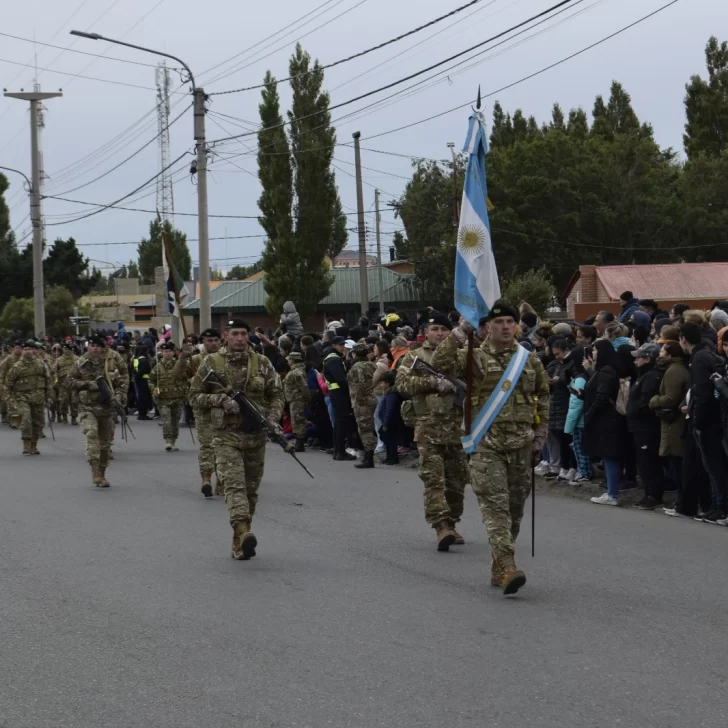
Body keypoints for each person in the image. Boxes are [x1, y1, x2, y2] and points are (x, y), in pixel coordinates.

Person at [432, 305, 549, 595]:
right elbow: (440, 361)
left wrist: (540, 437)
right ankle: (508, 565)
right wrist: (461, 331)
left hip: (521, 443)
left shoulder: (529, 359)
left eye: (511, 321)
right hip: (486, 444)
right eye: (499, 322)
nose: (507, 327)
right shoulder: (474, 357)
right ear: (488, 327)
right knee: (495, 507)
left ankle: (499, 566)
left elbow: (542, 397)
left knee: (514, 510)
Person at [189, 319, 285, 560]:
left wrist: (273, 419)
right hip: (225, 437)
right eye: (235, 334)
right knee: (234, 487)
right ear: (226, 336)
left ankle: (239, 541)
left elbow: (276, 394)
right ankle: (243, 531)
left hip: (255, 437)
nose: (240, 338)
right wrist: (219, 400)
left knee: (251, 491)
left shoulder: (262, 363)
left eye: (244, 334)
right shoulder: (211, 363)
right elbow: (194, 396)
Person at [397, 312, 470, 551]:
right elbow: (402, 385)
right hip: (428, 429)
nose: (439, 333)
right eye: (435, 329)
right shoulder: (414, 357)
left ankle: (451, 520)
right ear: (425, 332)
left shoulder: (459, 356)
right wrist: (433, 383)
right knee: (434, 480)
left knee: (457, 482)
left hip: (456, 431)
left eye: (444, 329)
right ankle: (441, 526)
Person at [679, 322, 727, 523]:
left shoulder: (699, 358)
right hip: (717, 418)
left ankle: (721, 508)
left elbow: (702, 394)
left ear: (683, 338)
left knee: (715, 467)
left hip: (709, 421)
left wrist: (697, 422)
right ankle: (717, 507)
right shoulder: (705, 354)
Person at [66, 336, 125, 487]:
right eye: (92, 346)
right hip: (88, 407)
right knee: (92, 434)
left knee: (105, 444)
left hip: (106, 409)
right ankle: (95, 472)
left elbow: (120, 383)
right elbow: (69, 382)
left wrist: (118, 396)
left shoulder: (108, 365)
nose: (95, 348)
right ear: (88, 347)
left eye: (98, 346)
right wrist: (88, 384)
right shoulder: (80, 363)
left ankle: (102, 473)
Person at [583, 340, 628, 506]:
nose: (593, 353)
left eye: (595, 350)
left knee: (610, 455)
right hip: (605, 419)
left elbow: (602, 396)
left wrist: (590, 412)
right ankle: (611, 491)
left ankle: (612, 494)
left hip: (607, 420)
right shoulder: (603, 371)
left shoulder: (607, 371)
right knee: (607, 455)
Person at [649, 341, 690, 515]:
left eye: (663, 350)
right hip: (674, 422)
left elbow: (671, 398)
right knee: (676, 463)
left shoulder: (674, 371)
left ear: (670, 354)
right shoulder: (674, 369)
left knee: (678, 463)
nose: (659, 353)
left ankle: (682, 501)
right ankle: (681, 500)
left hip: (675, 423)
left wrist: (653, 401)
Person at [626, 344, 664, 510]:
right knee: (643, 462)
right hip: (638, 426)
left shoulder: (651, 376)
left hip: (646, 427)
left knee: (649, 462)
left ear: (648, 358)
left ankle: (654, 495)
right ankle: (648, 493)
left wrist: (637, 413)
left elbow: (645, 401)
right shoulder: (643, 375)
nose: (635, 360)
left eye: (639, 357)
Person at [189, 329, 224, 497]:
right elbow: (177, 376)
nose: (213, 343)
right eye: (209, 340)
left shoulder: (226, 360)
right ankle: (206, 478)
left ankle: (222, 481)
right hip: (203, 408)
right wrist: (182, 359)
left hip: (224, 410)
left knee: (223, 446)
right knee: (207, 445)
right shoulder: (195, 360)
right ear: (203, 342)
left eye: (216, 340)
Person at [5, 340, 51, 455]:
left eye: (30, 349)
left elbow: (48, 380)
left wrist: (50, 396)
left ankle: (34, 445)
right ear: (22, 352)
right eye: (25, 349)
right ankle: (26, 445)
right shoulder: (17, 366)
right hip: (22, 398)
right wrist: (9, 400)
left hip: (38, 398)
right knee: (26, 419)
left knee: (37, 422)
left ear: (33, 351)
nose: (28, 351)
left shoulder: (40, 364)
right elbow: (9, 383)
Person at [148, 341, 191, 452]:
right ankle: (167, 440)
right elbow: (151, 381)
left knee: (175, 421)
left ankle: (173, 441)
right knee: (166, 420)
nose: (167, 353)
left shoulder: (179, 365)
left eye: (169, 351)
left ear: (173, 353)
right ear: (161, 353)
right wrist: (154, 390)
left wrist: (186, 393)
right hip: (163, 399)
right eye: (165, 351)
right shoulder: (157, 367)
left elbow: (186, 380)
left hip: (177, 398)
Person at [324, 336, 355, 461]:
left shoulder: (333, 358)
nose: (343, 347)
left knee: (338, 423)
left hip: (335, 392)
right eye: (340, 345)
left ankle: (338, 451)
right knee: (341, 423)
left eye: (343, 345)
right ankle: (340, 451)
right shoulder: (334, 360)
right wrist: (349, 390)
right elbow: (341, 379)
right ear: (334, 345)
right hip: (339, 393)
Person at [347, 343, 378, 469]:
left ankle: (368, 457)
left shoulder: (357, 367)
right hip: (371, 397)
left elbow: (359, 385)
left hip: (362, 401)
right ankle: (368, 455)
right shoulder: (371, 364)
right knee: (369, 427)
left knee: (365, 429)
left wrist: (358, 400)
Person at [563, 347, 592, 483]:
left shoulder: (580, 379)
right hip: (583, 420)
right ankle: (583, 471)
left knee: (580, 449)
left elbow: (576, 405)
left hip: (580, 422)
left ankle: (584, 472)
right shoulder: (583, 377)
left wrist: (568, 426)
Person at [283, 351, 310, 453]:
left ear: (292, 360)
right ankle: (299, 442)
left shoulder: (296, 372)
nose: (288, 362)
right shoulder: (296, 370)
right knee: (296, 420)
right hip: (294, 398)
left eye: (289, 360)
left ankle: (300, 443)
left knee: (298, 421)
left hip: (297, 399)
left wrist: (307, 398)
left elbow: (304, 387)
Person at [0, 341, 23, 428]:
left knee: (21, 403)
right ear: (13, 349)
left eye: (19, 348)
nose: (18, 350)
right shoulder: (9, 359)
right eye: (16, 348)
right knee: (11, 403)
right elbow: (2, 371)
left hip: (22, 385)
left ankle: (20, 420)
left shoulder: (23, 358)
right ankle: (13, 421)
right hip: (10, 384)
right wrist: (1, 383)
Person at [54, 342, 78, 424]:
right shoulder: (59, 360)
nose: (66, 351)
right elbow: (54, 371)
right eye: (65, 349)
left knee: (74, 401)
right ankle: (64, 416)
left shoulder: (77, 359)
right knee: (64, 400)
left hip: (74, 384)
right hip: (63, 385)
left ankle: (74, 417)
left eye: (68, 349)